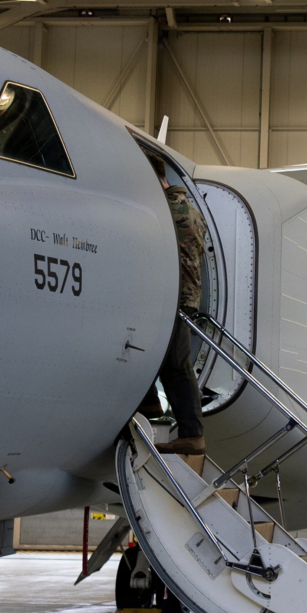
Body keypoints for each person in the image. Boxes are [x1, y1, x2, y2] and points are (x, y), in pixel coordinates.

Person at [139, 153, 208, 456]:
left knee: (176, 366)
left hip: (173, 298)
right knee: (166, 361)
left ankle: (192, 434)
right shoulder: (190, 209)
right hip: (185, 296)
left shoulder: (166, 212)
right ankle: (151, 401)